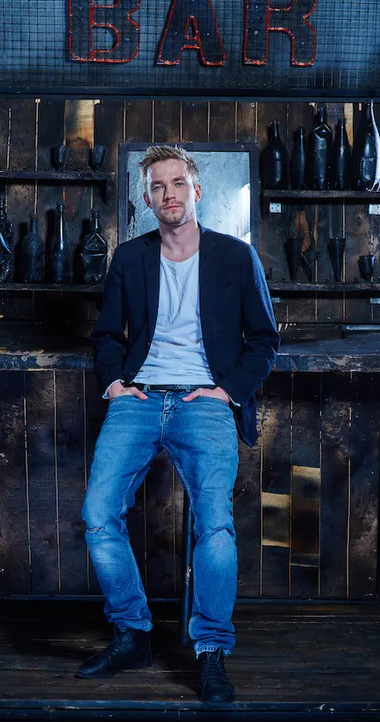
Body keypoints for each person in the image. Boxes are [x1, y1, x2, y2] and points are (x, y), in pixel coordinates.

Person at [76, 144, 279, 707]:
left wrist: (227, 391)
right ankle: (133, 634)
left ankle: (211, 650)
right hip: (139, 398)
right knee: (98, 513)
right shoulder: (130, 258)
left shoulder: (235, 257)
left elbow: (265, 340)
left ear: (197, 190)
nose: (169, 194)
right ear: (147, 199)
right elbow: (106, 335)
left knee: (215, 525)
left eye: (178, 183)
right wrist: (115, 385)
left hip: (204, 401)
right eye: (158, 187)